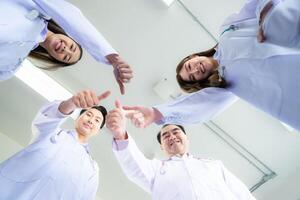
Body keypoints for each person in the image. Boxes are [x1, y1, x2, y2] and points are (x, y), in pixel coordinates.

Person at [122, 0, 300, 130]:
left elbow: (254, 5)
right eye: (193, 77)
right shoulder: (227, 83)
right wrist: (158, 113)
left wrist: (266, 13)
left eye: (189, 66)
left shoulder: (227, 30)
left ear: (193, 56)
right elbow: (200, 106)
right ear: (201, 81)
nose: (195, 70)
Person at [106, 101, 256, 200]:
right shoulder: (156, 169)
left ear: (187, 138)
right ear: (162, 147)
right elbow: (134, 167)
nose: (171, 136)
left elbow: (241, 193)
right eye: (165, 135)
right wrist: (120, 134)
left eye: (176, 132)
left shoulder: (214, 165)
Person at [0, 0, 133, 94]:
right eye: (72, 47)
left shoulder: (11, 66)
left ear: (54, 58)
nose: (65, 49)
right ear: (70, 35)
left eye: (66, 57)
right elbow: (72, 17)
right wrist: (111, 57)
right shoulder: (40, 8)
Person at [0, 90, 110, 200]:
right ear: (77, 119)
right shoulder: (51, 133)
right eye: (88, 115)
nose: (91, 120)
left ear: (98, 131)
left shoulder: (92, 169)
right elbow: (47, 118)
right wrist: (72, 103)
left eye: (97, 120)